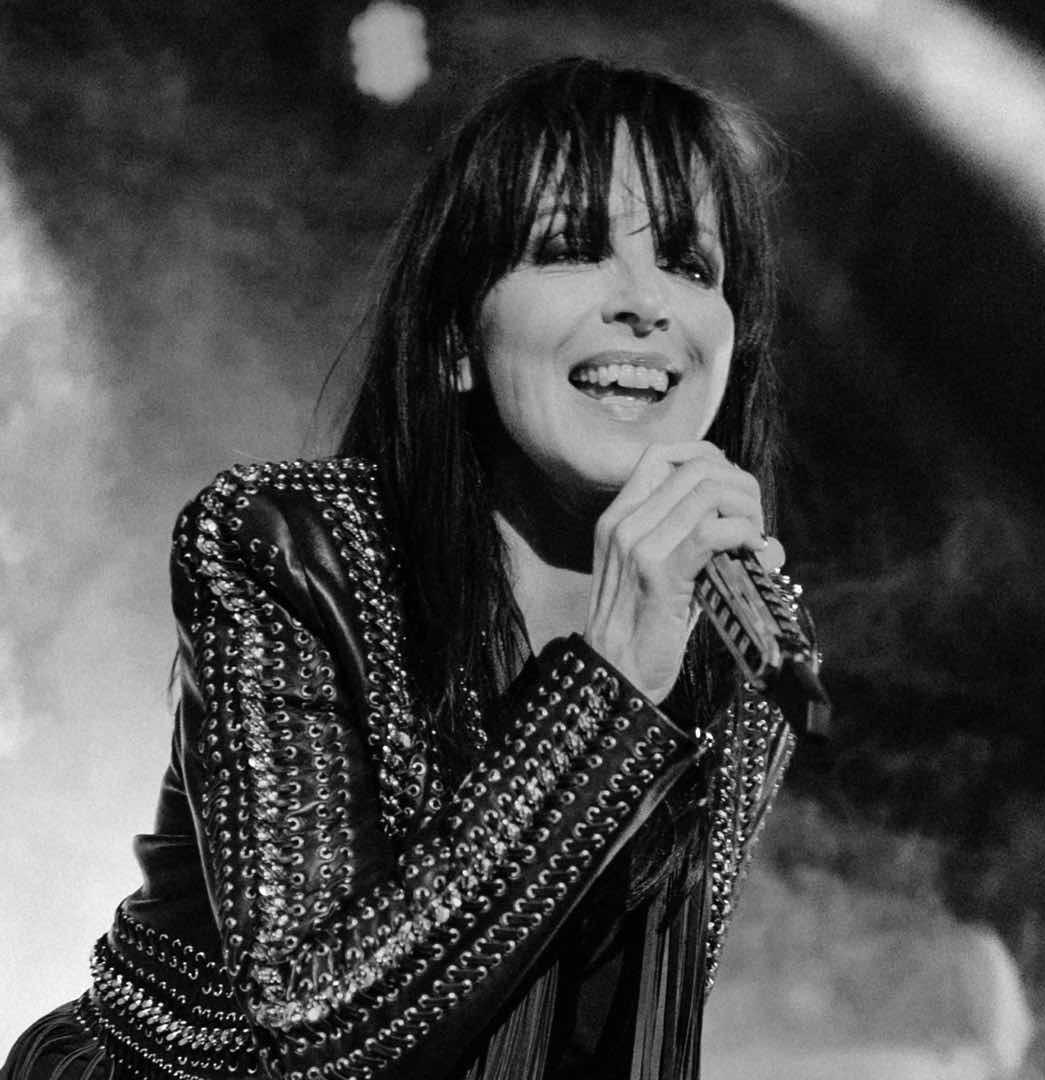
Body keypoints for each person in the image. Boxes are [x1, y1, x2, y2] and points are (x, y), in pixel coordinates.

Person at [2, 56, 808, 1080]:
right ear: (454, 342)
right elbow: (313, 1037)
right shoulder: (289, 551)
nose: (646, 302)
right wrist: (610, 687)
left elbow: (633, 1029)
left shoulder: (743, 630)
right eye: (570, 249)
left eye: (692, 265)